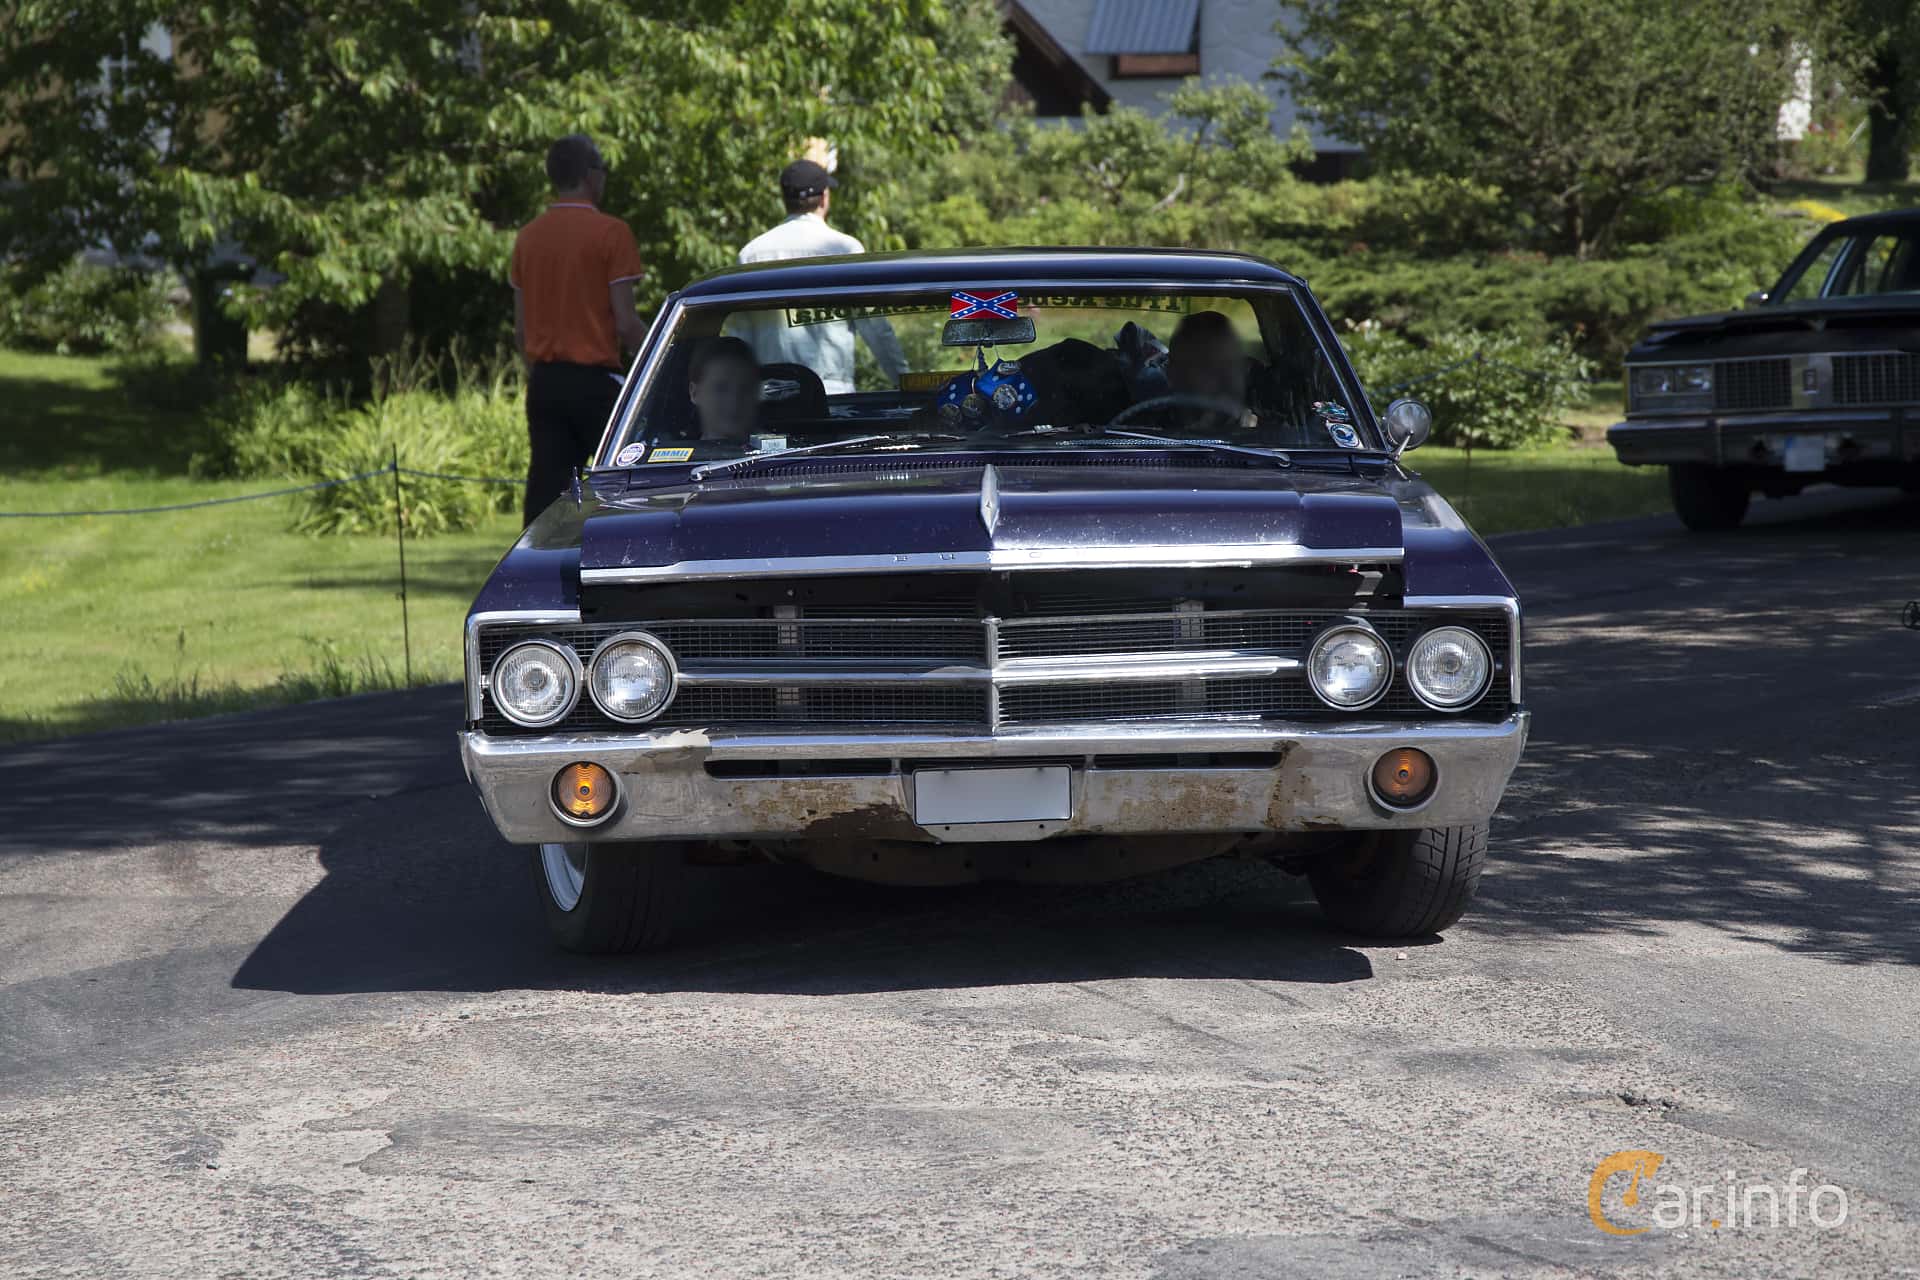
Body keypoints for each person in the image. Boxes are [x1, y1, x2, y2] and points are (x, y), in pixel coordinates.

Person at [509, 133, 647, 526]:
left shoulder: (528, 237)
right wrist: (665, 360)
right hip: (596, 382)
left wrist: (538, 371)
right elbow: (624, 322)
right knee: (624, 483)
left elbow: (521, 330)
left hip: (546, 381)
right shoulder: (611, 233)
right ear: (590, 175)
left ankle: (536, 571)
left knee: (547, 496)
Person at [731, 158, 907, 395]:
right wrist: (904, 381)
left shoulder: (751, 254)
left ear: (784, 200)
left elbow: (739, 338)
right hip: (833, 395)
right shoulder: (845, 249)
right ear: (824, 198)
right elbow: (875, 328)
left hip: (771, 396)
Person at [687, 337, 760, 443]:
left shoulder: (781, 453)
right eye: (721, 389)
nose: (734, 401)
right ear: (695, 393)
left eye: (745, 389)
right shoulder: (673, 456)